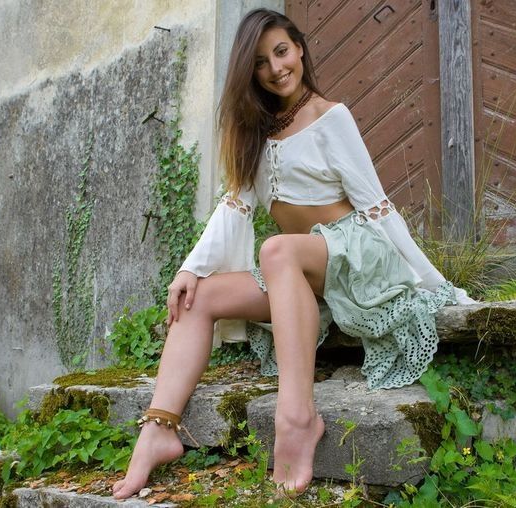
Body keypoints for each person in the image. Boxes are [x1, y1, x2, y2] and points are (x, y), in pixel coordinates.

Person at [112, 8, 475, 499]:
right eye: (260, 62)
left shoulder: (332, 116)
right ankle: (158, 430)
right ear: (250, 72)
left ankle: (297, 418)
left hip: (355, 253)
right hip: (299, 273)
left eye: (282, 52)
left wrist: (430, 280)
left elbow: (376, 203)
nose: (276, 67)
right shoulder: (255, 134)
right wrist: (188, 269)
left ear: (300, 48)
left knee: (277, 249)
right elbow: (233, 207)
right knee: (199, 296)